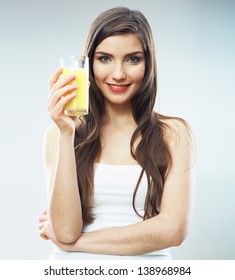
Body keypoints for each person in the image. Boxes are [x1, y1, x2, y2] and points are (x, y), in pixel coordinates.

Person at [38, 7, 195, 260]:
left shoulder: (173, 134)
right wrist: (66, 134)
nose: (119, 73)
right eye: (105, 58)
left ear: (148, 63)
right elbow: (66, 232)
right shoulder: (58, 135)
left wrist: (77, 244)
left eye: (133, 59)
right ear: (88, 63)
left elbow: (173, 230)